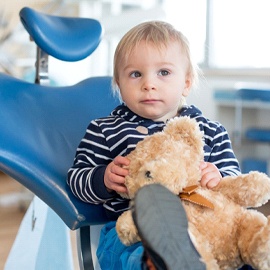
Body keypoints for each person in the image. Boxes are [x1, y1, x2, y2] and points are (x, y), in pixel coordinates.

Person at [67, 21, 241, 269]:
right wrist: (103, 179)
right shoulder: (104, 130)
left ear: (187, 82)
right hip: (131, 230)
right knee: (128, 252)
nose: (149, 84)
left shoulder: (209, 132)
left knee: (235, 244)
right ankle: (156, 262)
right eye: (135, 74)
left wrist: (219, 177)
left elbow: (235, 182)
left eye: (164, 73)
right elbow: (76, 180)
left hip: (202, 227)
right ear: (119, 84)